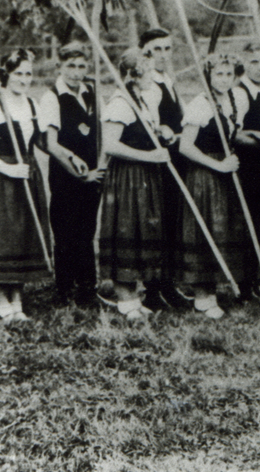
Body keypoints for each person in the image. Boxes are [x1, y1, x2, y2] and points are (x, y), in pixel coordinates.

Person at [0, 49, 51, 321]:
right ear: (6, 75)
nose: (24, 80)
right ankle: (2, 300)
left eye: (28, 74)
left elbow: (38, 141)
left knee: (22, 236)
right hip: (0, 180)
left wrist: (67, 153)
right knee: (1, 239)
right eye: (18, 74)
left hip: (26, 174)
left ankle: (17, 300)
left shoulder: (32, 105)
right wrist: (6, 168)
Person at [98, 48, 170, 319]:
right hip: (127, 178)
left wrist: (160, 133)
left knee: (141, 232)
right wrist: (149, 155)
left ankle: (134, 298)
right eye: (147, 71)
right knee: (126, 231)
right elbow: (111, 145)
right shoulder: (120, 103)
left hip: (144, 177)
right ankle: (125, 300)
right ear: (133, 76)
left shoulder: (141, 100)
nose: (152, 75)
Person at [178, 53, 250, 318]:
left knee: (224, 228)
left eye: (228, 74)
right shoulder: (201, 104)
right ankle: (202, 297)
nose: (224, 79)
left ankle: (217, 290)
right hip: (205, 174)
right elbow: (185, 146)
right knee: (204, 228)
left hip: (226, 170)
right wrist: (216, 165)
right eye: (218, 74)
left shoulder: (234, 99)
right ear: (208, 76)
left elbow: (234, 133)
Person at [38, 42, 103, 308]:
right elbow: (51, 144)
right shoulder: (52, 97)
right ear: (60, 67)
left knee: (86, 231)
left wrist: (97, 168)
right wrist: (78, 173)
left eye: (81, 66)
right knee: (66, 231)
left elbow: (100, 133)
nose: (77, 72)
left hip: (93, 173)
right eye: (71, 66)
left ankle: (87, 289)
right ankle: (63, 291)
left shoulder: (92, 92)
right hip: (66, 174)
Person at [138, 29, 188, 310]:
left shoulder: (167, 79)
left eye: (167, 49)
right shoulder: (145, 84)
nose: (163, 55)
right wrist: (160, 129)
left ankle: (168, 284)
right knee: (156, 221)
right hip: (155, 159)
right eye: (156, 49)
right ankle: (153, 289)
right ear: (143, 53)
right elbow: (142, 118)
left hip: (174, 156)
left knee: (172, 220)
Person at [235, 40, 260, 301]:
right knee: (249, 223)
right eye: (255, 63)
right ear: (245, 64)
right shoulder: (240, 93)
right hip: (250, 166)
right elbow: (235, 134)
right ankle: (246, 284)